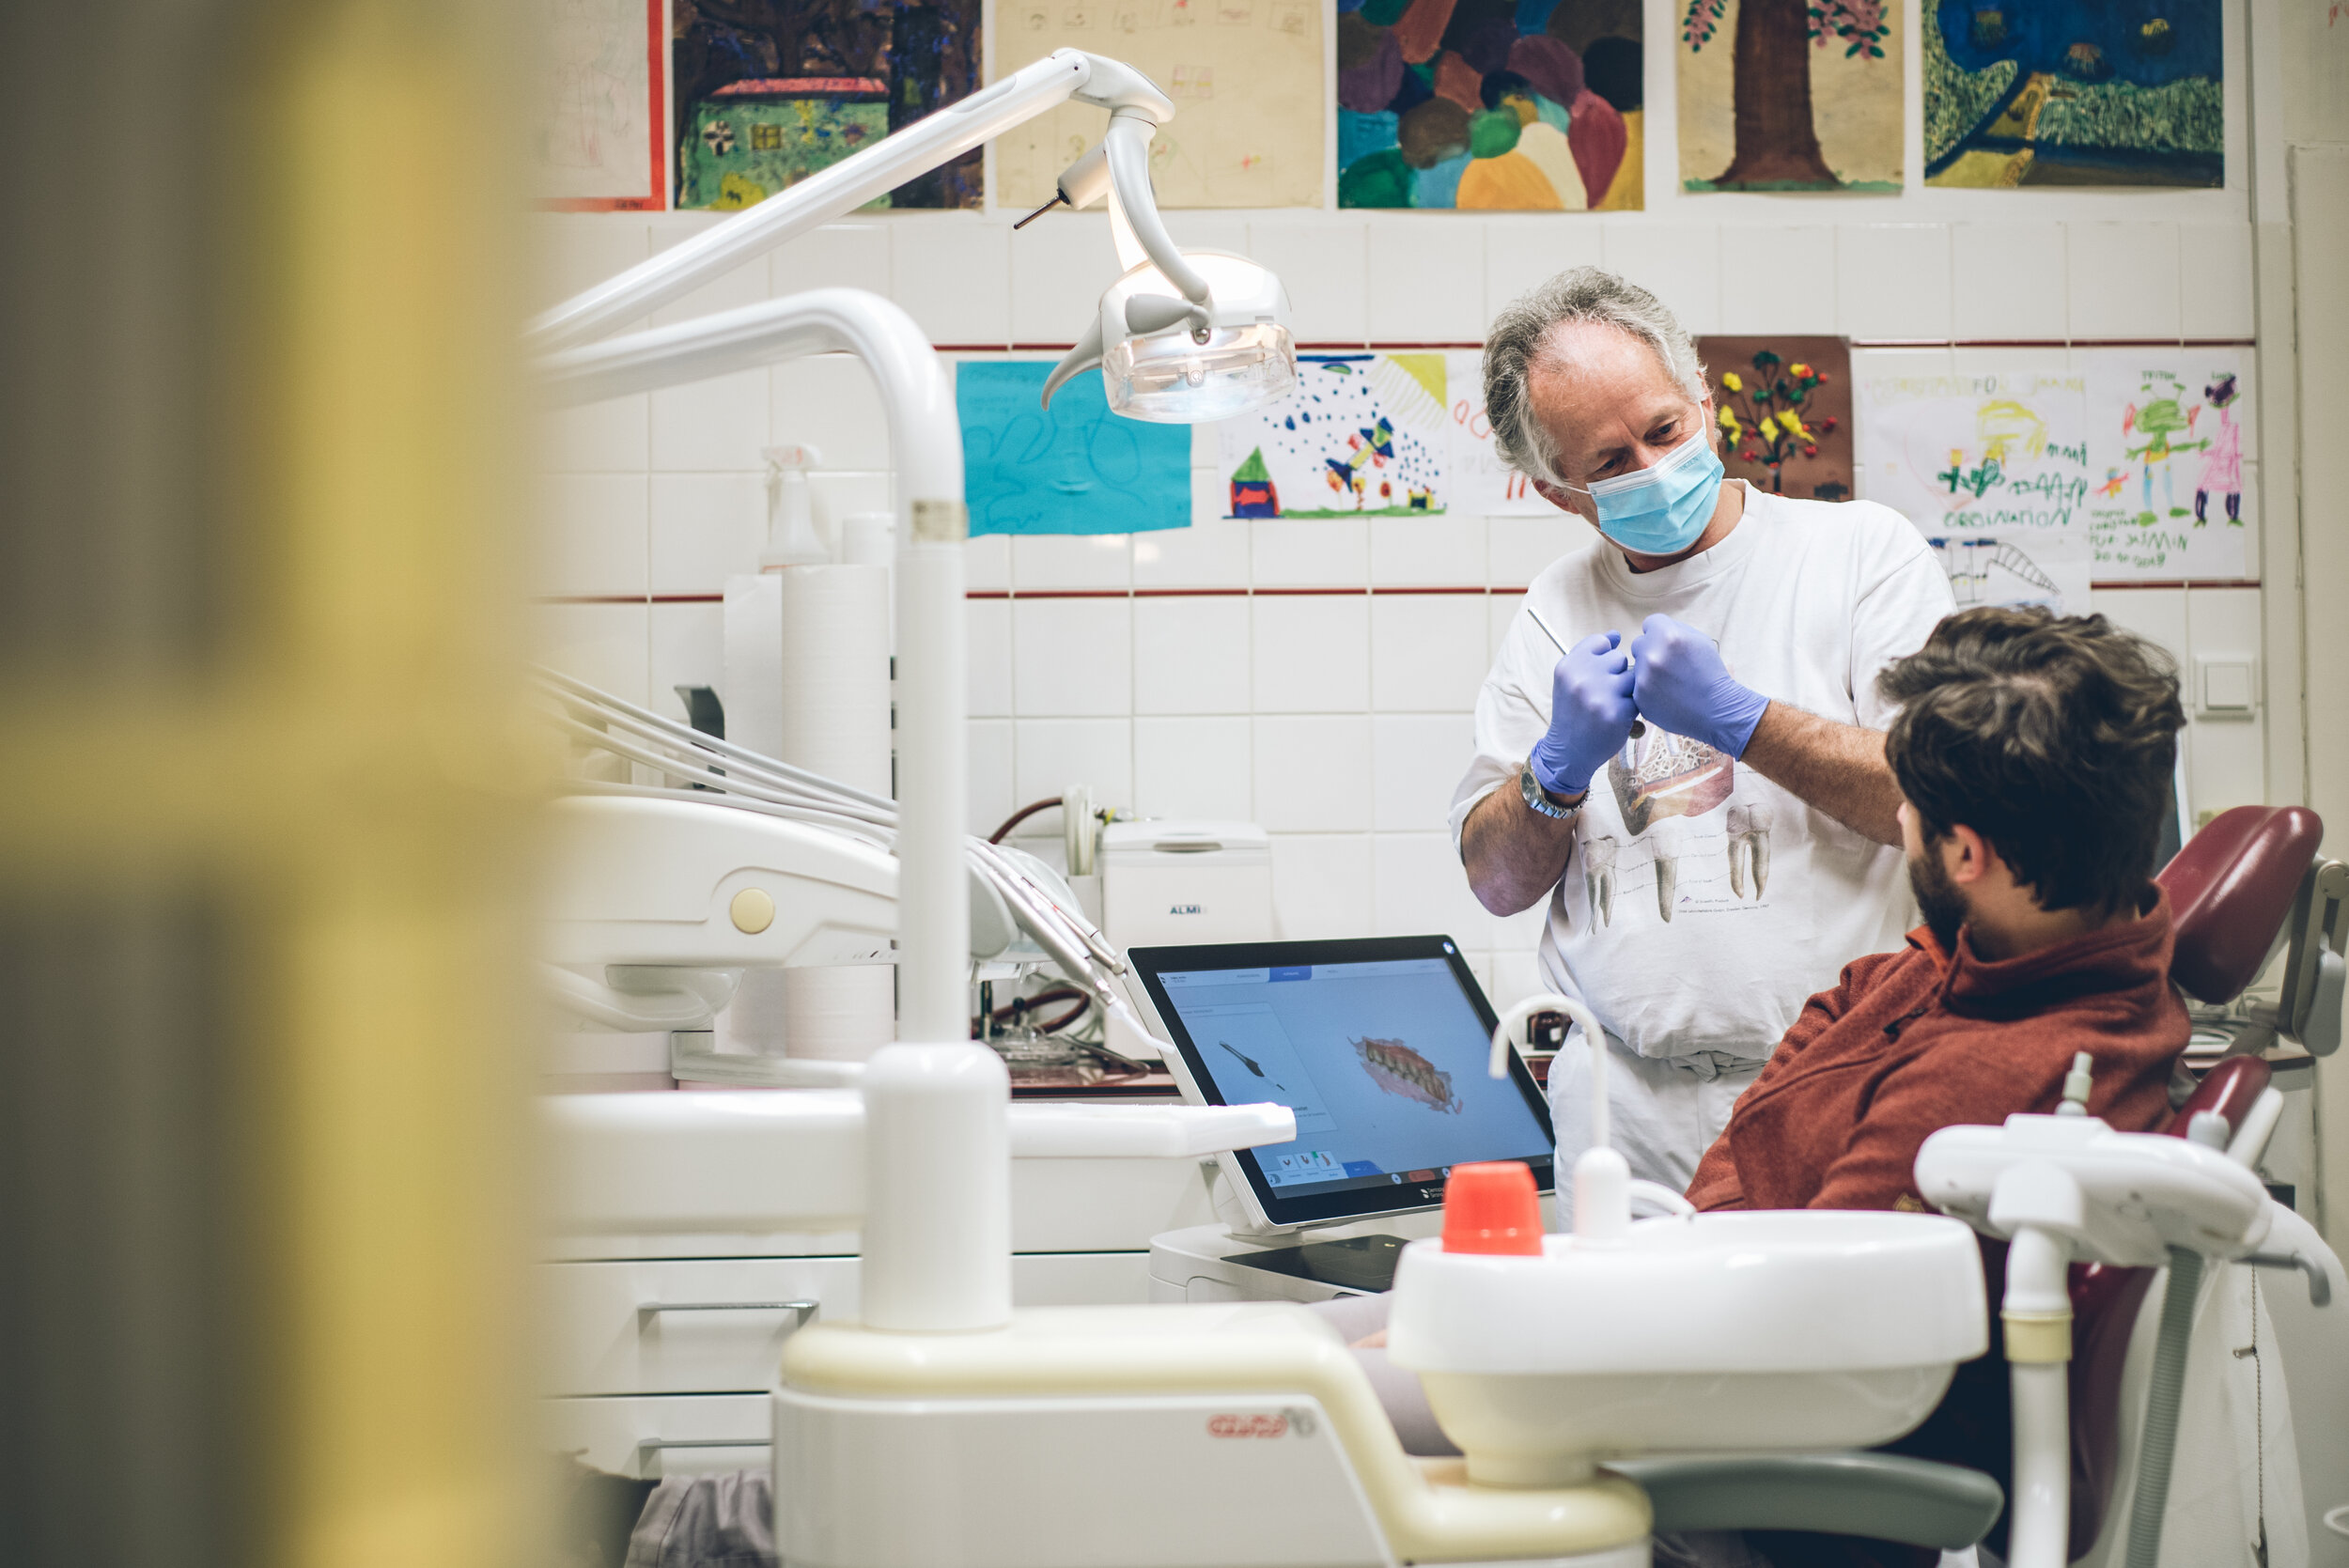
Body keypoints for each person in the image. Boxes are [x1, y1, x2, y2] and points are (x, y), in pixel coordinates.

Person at [1342, 607, 2193, 1568]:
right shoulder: (2004, 954)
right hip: (1738, 1335)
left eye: (1906, 801)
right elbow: (1812, 1053)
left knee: (1294, 1389)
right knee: (1328, 1332)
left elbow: (1804, 1307)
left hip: (1777, 1423)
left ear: (1968, 856)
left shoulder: (1995, 1070)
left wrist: (1506, 1336)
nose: (1894, 817)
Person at [1454, 268, 1955, 1188]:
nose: (1652, 468)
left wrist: (1740, 718)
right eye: (1609, 462)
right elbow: (1492, 881)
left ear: (1705, 405)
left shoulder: (1858, 556)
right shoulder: (1553, 608)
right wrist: (1552, 773)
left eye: (1663, 430)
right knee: (1626, 1337)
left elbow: (1929, 803)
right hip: (1623, 1112)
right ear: (1562, 494)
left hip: (1841, 1083)